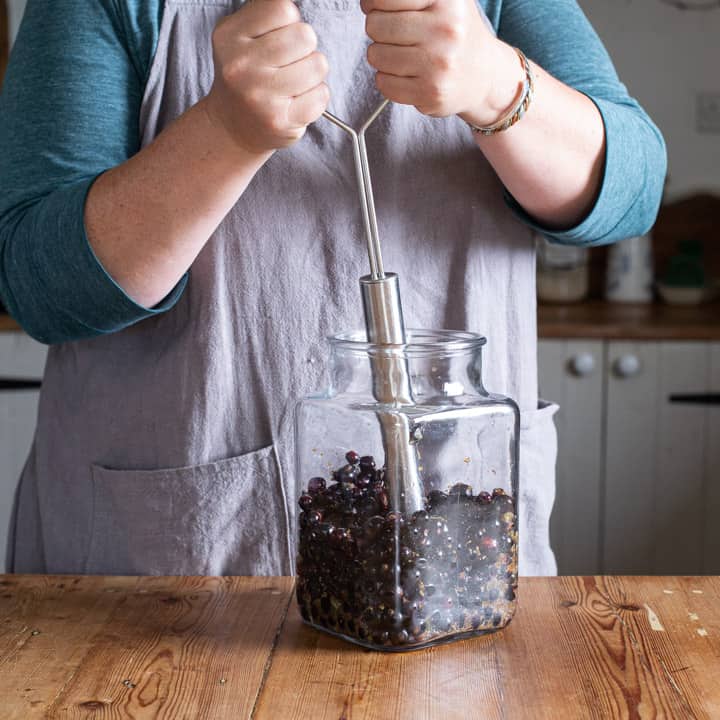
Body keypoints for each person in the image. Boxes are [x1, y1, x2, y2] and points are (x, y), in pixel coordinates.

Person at [0, 0, 665, 577]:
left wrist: (498, 85)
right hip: (166, 581)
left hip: (454, 555)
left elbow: (631, 191)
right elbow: (40, 286)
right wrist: (224, 132)